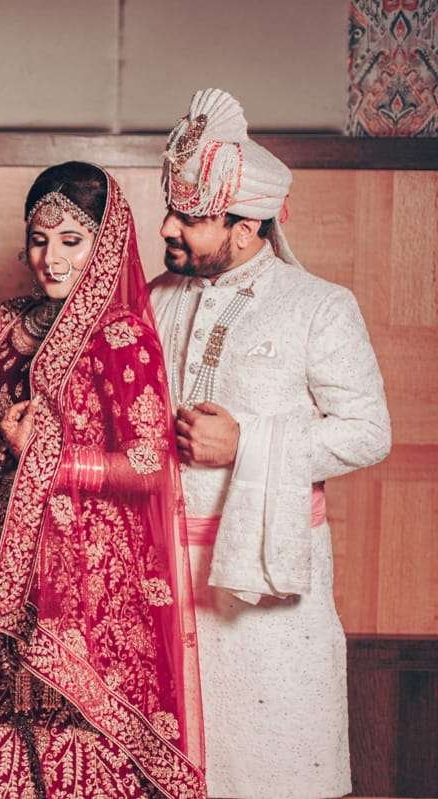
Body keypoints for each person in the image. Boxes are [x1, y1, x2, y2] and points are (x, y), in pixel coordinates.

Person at [0, 162, 206, 799]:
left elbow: (148, 464)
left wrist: (49, 459)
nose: (50, 259)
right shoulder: (5, 323)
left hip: (86, 569)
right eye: (39, 240)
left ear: (103, 245)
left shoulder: (122, 337)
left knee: (74, 735)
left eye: (70, 241)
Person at [149, 88, 392, 799]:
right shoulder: (156, 299)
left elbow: (369, 433)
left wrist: (245, 441)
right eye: (170, 209)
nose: (166, 227)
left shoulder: (318, 306)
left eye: (190, 217)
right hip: (162, 577)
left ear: (247, 225)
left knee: (274, 768)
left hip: (265, 590)